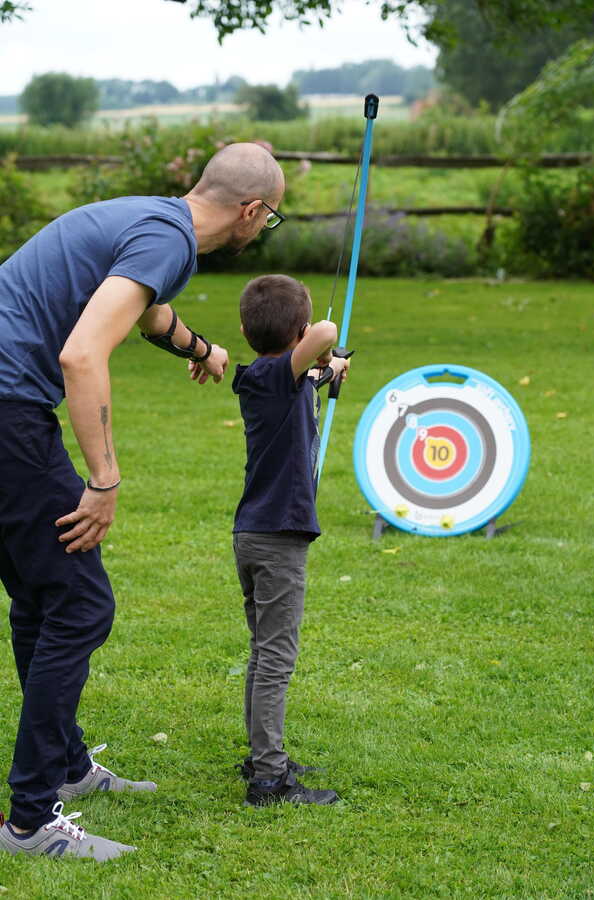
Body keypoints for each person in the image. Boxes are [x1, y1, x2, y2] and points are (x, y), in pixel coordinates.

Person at [0, 143, 285, 860]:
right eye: (269, 220)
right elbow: (81, 353)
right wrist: (104, 480)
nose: (264, 228)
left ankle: (64, 768)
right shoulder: (168, 239)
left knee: (43, 594)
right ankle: (31, 821)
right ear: (251, 212)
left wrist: (198, 347)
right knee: (82, 603)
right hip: (7, 408)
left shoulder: (149, 221)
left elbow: (144, 312)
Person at [232, 274, 350, 807]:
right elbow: (324, 331)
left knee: (263, 652)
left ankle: (263, 756)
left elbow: (307, 368)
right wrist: (320, 347)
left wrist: (329, 370)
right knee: (277, 656)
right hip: (278, 538)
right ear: (300, 333)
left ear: (243, 328)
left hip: (254, 533)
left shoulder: (265, 377)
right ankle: (270, 780)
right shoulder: (281, 374)